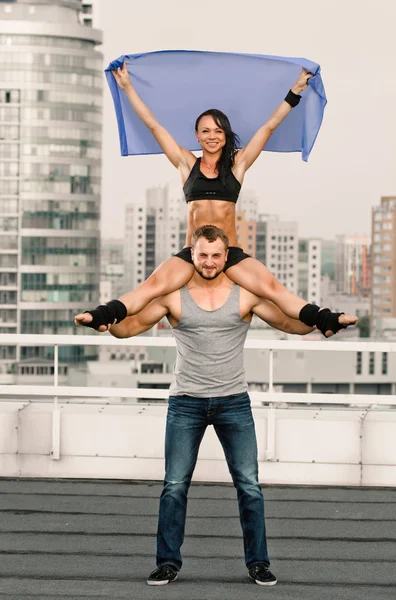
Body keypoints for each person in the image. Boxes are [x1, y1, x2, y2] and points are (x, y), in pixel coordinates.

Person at [106, 225, 357, 586]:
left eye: (215, 255)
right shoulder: (173, 297)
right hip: (186, 403)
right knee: (175, 485)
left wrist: (325, 324)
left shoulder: (245, 295)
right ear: (191, 255)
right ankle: (167, 563)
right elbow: (131, 327)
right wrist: (107, 325)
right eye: (202, 255)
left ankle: (258, 563)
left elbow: (288, 321)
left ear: (227, 257)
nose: (208, 262)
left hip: (233, 403)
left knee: (249, 486)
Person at [74, 62, 347, 338]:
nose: (212, 137)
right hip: (192, 252)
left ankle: (324, 319)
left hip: (231, 253)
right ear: (197, 136)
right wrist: (128, 88)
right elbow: (153, 125)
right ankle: (103, 316)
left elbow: (269, 127)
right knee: (153, 285)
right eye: (205, 131)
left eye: (217, 131)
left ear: (225, 135)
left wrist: (296, 89)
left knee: (272, 287)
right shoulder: (185, 164)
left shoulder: (237, 165)